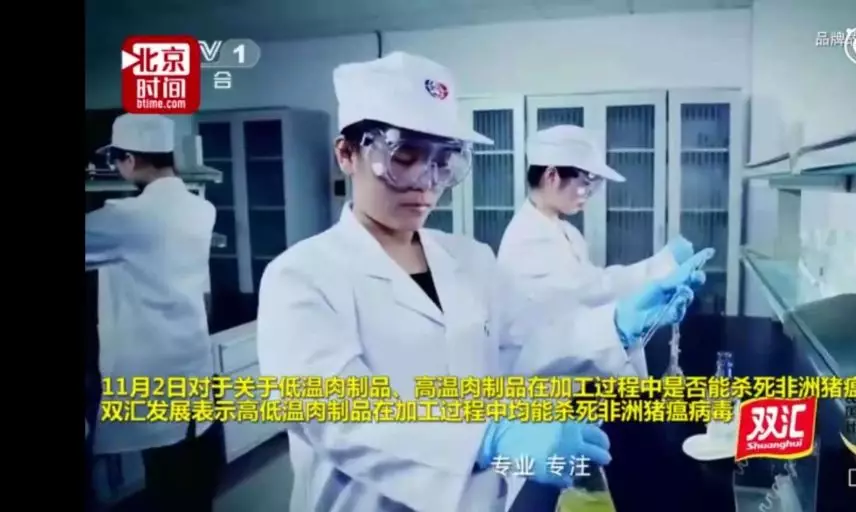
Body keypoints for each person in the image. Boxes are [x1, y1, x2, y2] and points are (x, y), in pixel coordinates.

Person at [255, 52, 714, 512]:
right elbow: (339, 414)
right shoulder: (301, 276)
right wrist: (486, 437)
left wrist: (613, 326)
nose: (426, 183)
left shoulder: (470, 259)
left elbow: (526, 342)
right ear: (346, 154)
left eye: (444, 162)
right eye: (404, 158)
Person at [496, 125, 703, 512]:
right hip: (544, 393)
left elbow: (592, 293)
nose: (588, 192)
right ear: (552, 175)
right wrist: (658, 267)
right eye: (585, 181)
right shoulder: (527, 239)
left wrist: (650, 305)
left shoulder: (563, 231)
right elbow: (592, 291)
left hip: (574, 381)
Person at [86, 114, 224, 512]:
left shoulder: (127, 218)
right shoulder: (202, 209)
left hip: (150, 372)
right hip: (191, 361)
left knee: (167, 481)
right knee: (193, 475)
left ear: (129, 159)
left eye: (116, 160)